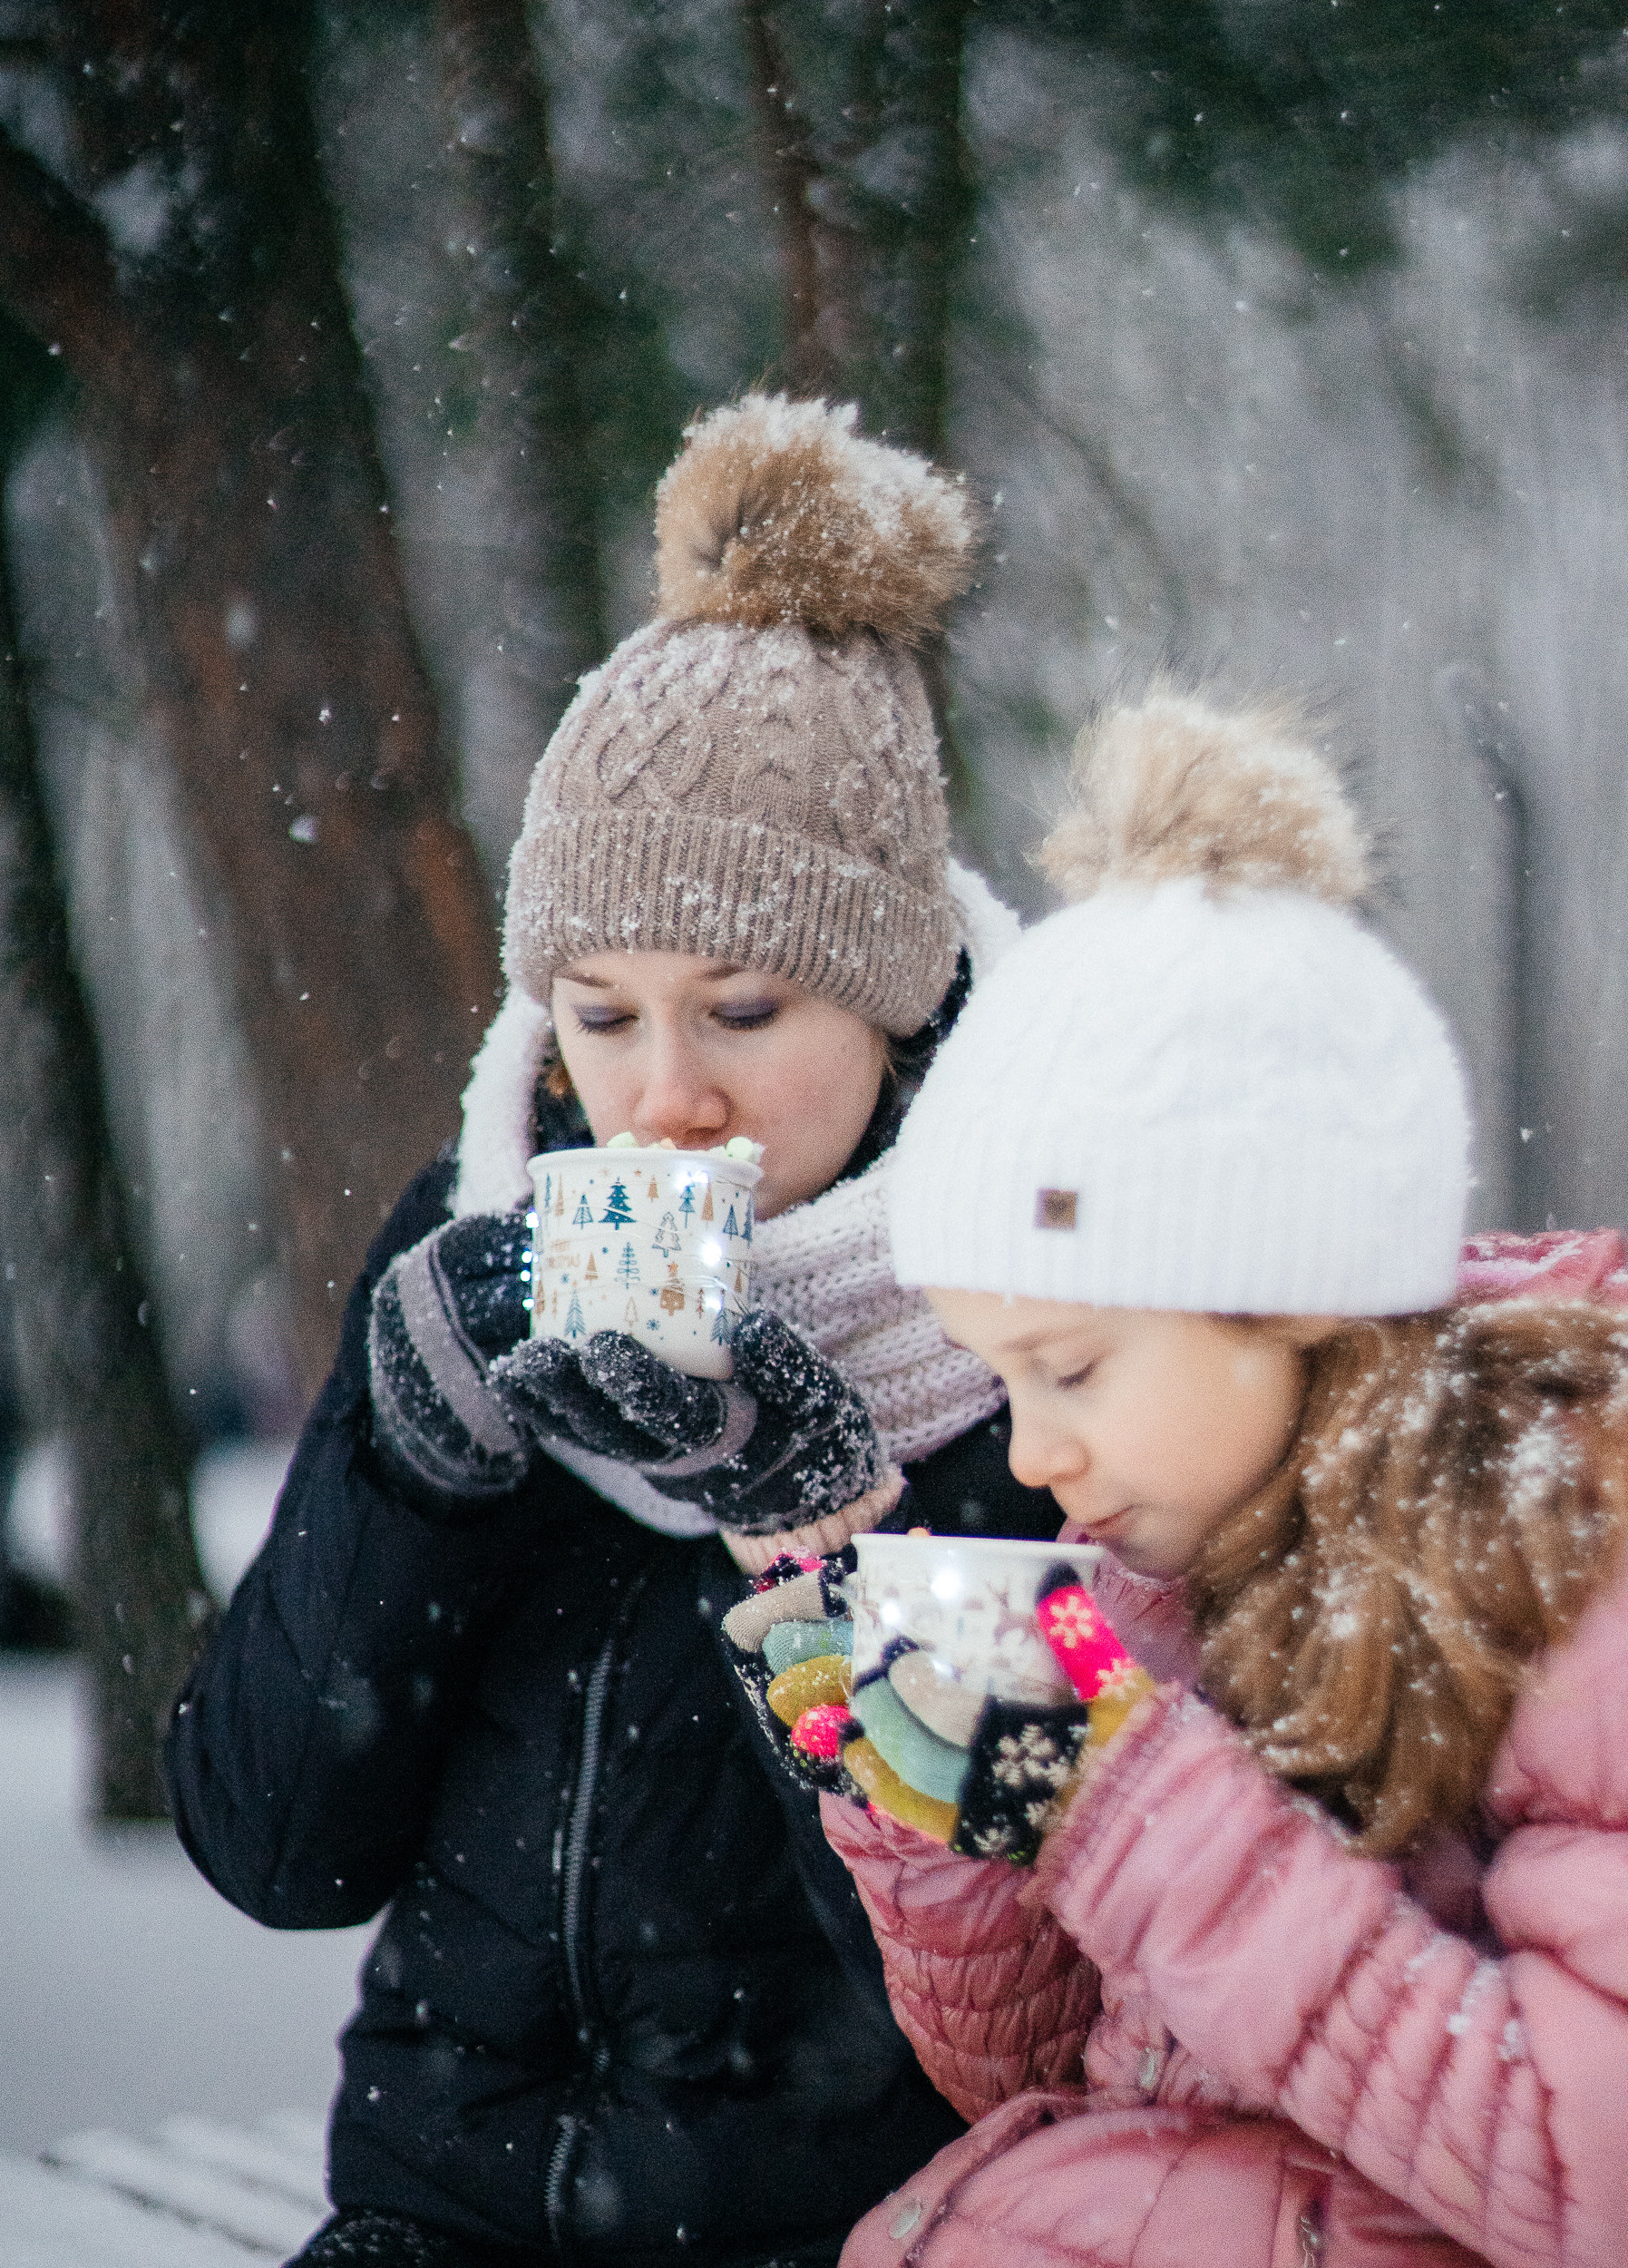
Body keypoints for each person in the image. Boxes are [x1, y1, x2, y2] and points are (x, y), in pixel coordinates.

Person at [163, 394, 1067, 2268]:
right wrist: (414, 1457)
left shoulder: (1024, 1307)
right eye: (599, 1009)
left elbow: (1030, 1994)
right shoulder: (477, 1230)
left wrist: (820, 1532)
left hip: (855, 2229)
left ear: (893, 1001)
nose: (659, 1098)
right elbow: (271, 1846)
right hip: (436, 2212)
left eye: (742, 1007)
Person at [787, 689, 1628, 2266]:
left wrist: (1125, 1803)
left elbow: (1583, 2179)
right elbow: (1073, 2096)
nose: (1033, 1455)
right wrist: (950, 1811)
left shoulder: (1573, 1552)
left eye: (1077, 1367)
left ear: (1294, 1291)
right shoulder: (1188, 1563)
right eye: (1005, 1379)